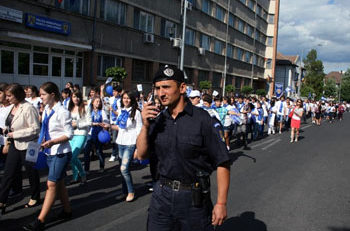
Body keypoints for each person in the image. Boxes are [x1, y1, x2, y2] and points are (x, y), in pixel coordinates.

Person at [136, 65, 231, 230]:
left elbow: (222, 161)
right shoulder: (157, 120)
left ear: (182, 88)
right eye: (158, 88)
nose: (161, 93)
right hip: (161, 197)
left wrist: (221, 203)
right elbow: (142, 155)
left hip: (193, 199)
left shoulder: (203, 120)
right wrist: (144, 125)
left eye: (166, 87)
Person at [24, 82, 73, 230]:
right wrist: (44, 140)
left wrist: (53, 141)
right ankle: (67, 210)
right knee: (60, 183)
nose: (41, 97)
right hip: (49, 151)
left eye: (43, 94)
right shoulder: (46, 109)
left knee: (51, 184)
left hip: (61, 153)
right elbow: (46, 128)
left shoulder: (63, 112)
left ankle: (41, 220)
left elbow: (69, 134)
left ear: (52, 95)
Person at [0, 84, 41, 214]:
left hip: (28, 145)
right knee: (8, 173)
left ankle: (35, 197)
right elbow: (13, 124)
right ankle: (2, 201)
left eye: (9, 95)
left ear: (17, 95)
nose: (7, 98)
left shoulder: (28, 108)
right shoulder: (13, 106)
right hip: (14, 144)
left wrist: (15, 134)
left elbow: (35, 129)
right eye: (6, 95)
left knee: (31, 173)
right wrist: (7, 131)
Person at [111, 91, 142, 202]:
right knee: (122, 169)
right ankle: (124, 191)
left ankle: (131, 191)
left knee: (124, 169)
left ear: (132, 100)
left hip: (130, 143)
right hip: (120, 142)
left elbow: (139, 130)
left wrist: (138, 148)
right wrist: (109, 126)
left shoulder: (137, 112)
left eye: (128, 98)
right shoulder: (121, 111)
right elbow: (120, 127)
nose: (126, 100)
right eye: (124, 98)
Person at [68, 90, 90, 185]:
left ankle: (83, 174)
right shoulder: (69, 108)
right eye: (73, 97)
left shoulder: (85, 107)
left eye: (77, 97)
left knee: (73, 156)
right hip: (71, 135)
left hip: (81, 134)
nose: (76, 99)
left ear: (80, 98)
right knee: (70, 157)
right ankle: (75, 177)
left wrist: (77, 124)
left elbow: (89, 122)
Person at [84, 97, 109, 173]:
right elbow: (86, 122)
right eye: (97, 101)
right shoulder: (88, 111)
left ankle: (102, 167)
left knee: (99, 151)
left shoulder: (102, 112)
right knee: (86, 152)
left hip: (99, 134)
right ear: (92, 102)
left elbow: (106, 122)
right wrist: (95, 123)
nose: (98, 103)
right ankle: (86, 169)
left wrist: (104, 125)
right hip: (89, 134)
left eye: (99, 101)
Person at [109, 86, 122, 162]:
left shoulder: (120, 101)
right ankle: (117, 154)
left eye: (115, 91)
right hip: (112, 121)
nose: (113, 92)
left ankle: (114, 154)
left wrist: (113, 110)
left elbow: (119, 114)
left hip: (117, 122)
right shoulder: (112, 99)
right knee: (114, 139)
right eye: (113, 91)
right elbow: (103, 99)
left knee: (114, 139)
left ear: (119, 92)